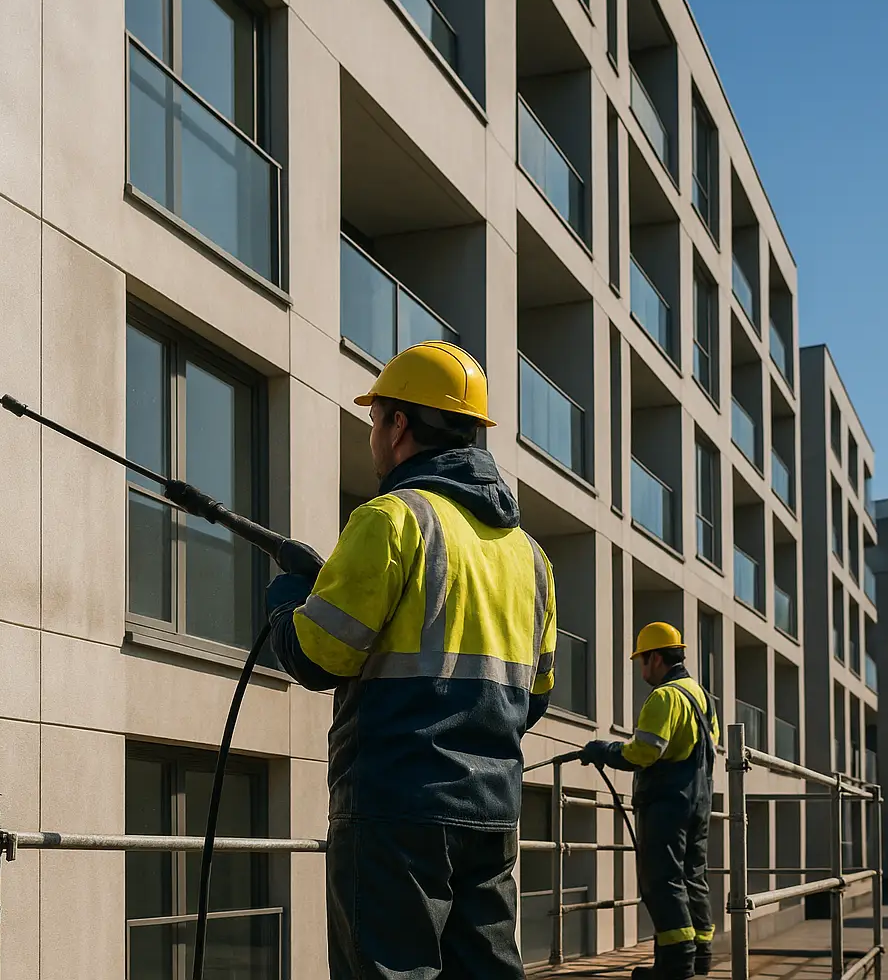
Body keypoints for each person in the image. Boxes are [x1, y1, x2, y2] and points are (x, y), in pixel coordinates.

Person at [264, 341, 557, 980]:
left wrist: (287, 601)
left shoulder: (393, 518)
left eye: (375, 420)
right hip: (490, 811)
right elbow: (534, 699)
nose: (373, 435)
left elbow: (318, 656)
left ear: (399, 425)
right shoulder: (529, 556)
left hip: (395, 806)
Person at [579, 622, 720, 980]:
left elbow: (645, 751)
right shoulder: (701, 696)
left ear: (655, 657)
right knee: (693, 876)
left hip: (667, 802)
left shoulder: (664, 696)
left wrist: (603, 750)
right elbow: (708, 743)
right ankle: (701, 954)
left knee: (663, 880)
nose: (642, 669)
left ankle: (675, 964)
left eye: (642, 661)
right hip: (699, 800)